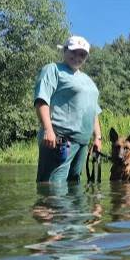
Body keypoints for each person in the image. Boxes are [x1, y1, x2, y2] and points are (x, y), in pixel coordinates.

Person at [34, 35, 102, 183]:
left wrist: (97, 137)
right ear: (64, 50)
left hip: (82, 143)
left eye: (82, 54)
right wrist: (48, 130)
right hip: (59, 140)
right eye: (73, 52)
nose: (77, 57)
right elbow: (41, 100)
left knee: (74, 186)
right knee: (53, 188)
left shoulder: (88, 81)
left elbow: (93, 110)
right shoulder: (53, 70)